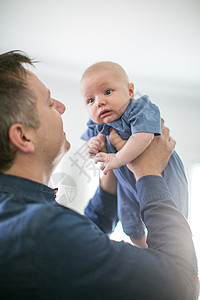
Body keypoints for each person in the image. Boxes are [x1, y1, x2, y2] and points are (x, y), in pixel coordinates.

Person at [0, 50, 199, 300]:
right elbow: (180, 286)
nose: (62, 106)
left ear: (129, 90)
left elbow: (86, 235)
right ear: (23, 136)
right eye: (50, 103)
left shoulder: (20, 218)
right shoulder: (43, 230)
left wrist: (111, 177)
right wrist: (149, 173)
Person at [80, 61, 188, 248]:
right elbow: (93, 143)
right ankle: (146, 252)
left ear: (130, 91)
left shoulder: (139, 108)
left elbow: (143, 136)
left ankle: (170, 257)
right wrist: (94, 145)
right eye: (90, 100)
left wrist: (117, 158)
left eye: (107, 92)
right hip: (125, 181)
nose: (99, 102)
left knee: (172, 216)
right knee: (130, 224)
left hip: (160, 173)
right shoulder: (99, 123)